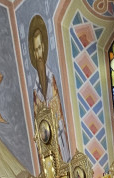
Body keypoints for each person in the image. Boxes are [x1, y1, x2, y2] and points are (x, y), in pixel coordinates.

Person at [28, 15, 70, 162]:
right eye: (35, 50)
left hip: (59, 139)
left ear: (44, 48)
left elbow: (58, 111)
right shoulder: (35, 90)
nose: (39, 54)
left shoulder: (51, 78)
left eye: (40, 48)